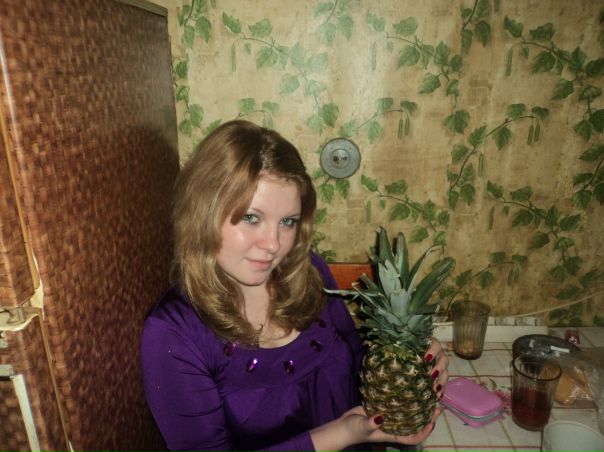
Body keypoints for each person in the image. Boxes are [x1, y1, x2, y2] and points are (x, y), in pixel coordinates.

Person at [140, 120, 449, 452]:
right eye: (251, 218)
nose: (274, 244)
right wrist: (342, 434)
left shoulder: (308, 272)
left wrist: (402, 365)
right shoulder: (173, 332)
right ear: (204, 212)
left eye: (287, 221)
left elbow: (354, 361)